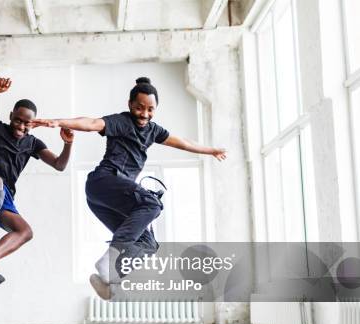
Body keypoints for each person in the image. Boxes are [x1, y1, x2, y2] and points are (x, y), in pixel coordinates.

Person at [31, 77, 227, 299]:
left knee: (148, 244)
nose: (144, 114)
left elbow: (183, 142)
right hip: (103, 182)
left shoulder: (153, 131)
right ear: (130, 105)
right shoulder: (121, 122)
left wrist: (210, 150)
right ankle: (109, 260)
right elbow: (92, 123)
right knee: (152, 203)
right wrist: (60, 122)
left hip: (111, 199)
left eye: (150, 109)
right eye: (139, 107)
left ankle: (108, 276)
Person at [0, 77, 74, 286]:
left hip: (2, 198)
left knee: (25, 231)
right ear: (10, 116)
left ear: (33, 123)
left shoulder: (33, 144)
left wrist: (68, 143)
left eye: (26, 123)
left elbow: (59, 165)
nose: (21, 126)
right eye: (18, 120)